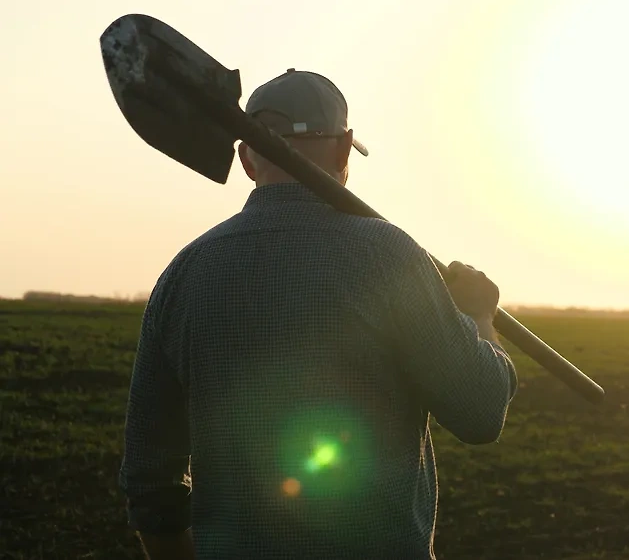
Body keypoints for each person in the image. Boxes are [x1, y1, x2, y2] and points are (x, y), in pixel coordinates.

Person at [118, 68, 518, 559]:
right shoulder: (391, 257)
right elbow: (480, 411)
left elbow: (149, 478)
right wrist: (479, 316)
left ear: (246, 159)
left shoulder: (184, 273)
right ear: (345, 149)